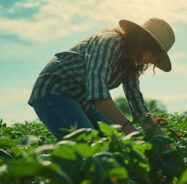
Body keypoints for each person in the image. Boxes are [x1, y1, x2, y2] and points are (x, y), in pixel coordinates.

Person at [28, 18, 175, 140]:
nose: (154, 62)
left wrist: (158, 136)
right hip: (55, 92)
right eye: (155, 55)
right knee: (92, 149)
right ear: (145, 43)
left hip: (83, 101)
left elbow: (137, 105)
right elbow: (97, 94)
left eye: (158, 59)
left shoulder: (131, 64)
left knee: (119, 143)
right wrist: (127, 127)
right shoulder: (110, 42)